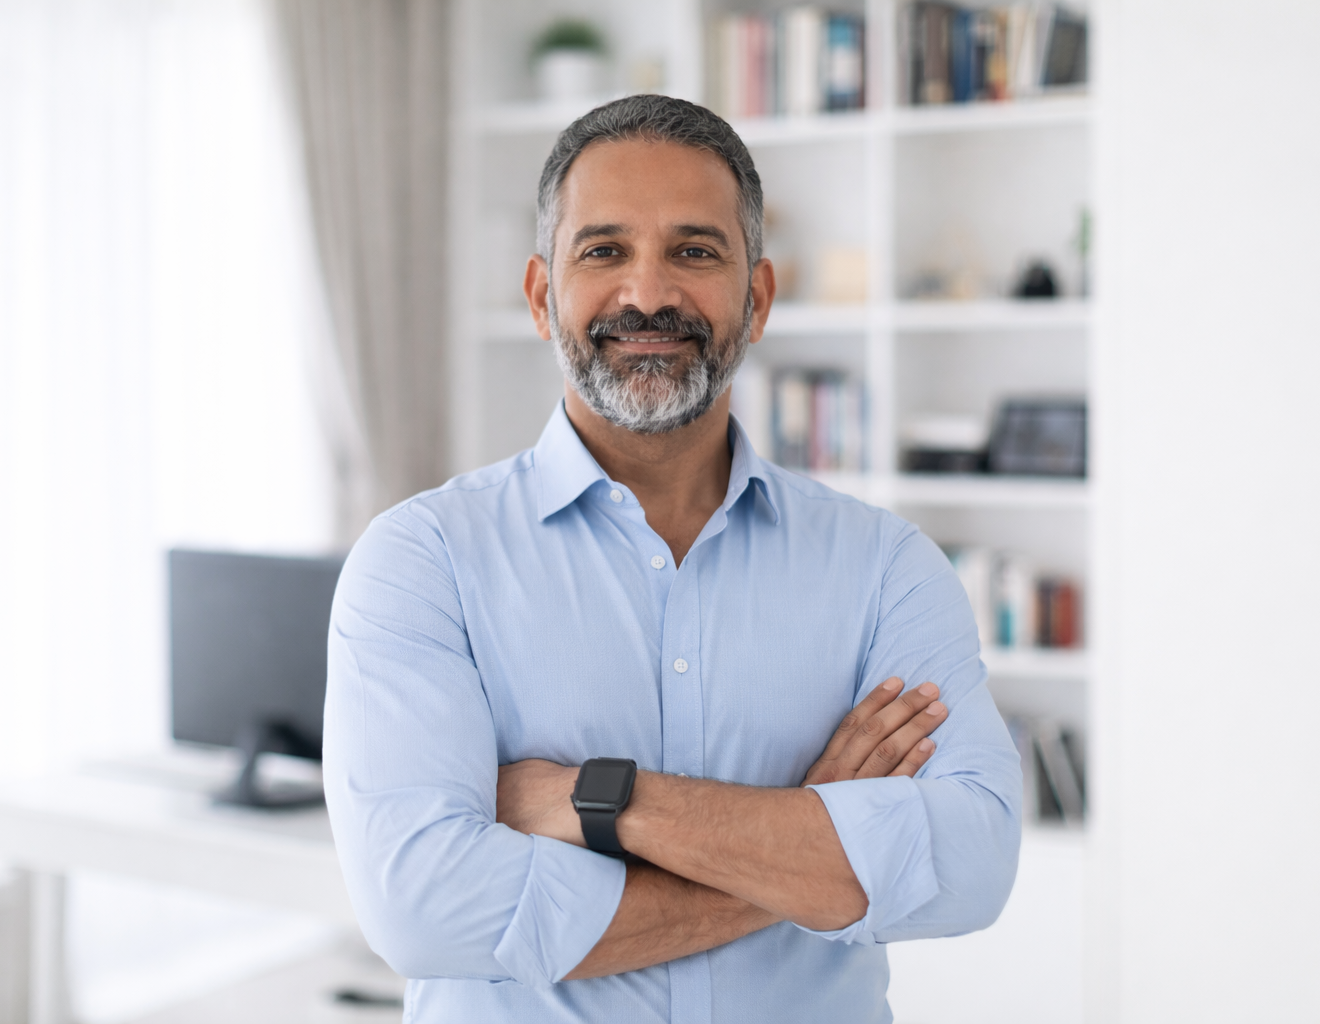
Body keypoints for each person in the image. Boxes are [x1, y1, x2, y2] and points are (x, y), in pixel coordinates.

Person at [323, 94, 1020, 1023]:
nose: (647, 294)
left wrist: (602, 800)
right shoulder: (422, 561)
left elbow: (971, 865)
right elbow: (424, 908)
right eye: (604, 250)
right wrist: (803, 843)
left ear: (758, 298)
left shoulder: (886, 567)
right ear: (541, 296)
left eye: (694, 251)